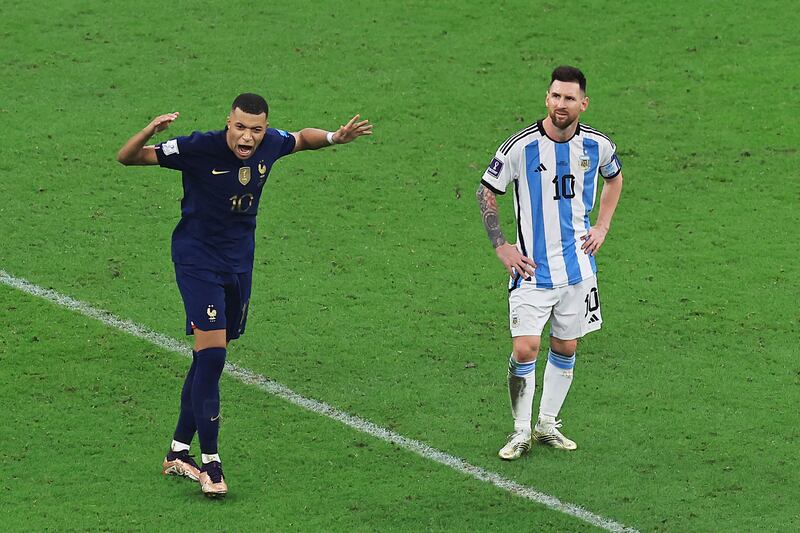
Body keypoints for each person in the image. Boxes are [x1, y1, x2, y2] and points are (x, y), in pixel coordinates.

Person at [117, 93, 372, 495]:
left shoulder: (271, 144)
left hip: (238, 265)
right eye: (240, 127)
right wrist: (149, 130)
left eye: (256, 129)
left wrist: (334, 138)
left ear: (264, 129)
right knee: (213, 356)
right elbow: (128, 157)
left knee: (208, 357)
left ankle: (178, 451)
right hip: (197, 260)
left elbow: (301, 139)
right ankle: (211, 464)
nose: (247, 137)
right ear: (228, 123)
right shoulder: (198, 147)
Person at [476, 66, 623, 460]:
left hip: (578, 269)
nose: (561, 104)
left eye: (569, 98)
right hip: (532, 270)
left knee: (566, 345)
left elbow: (615, 178)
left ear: (583, 104)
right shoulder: (520, 147)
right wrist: (502, 246)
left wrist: (603, 226)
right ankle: (520, 431)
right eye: (556, 96)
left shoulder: (597, 146)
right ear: (547, 98)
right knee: (526, 348)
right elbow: (486, 191)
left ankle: (547, 424)